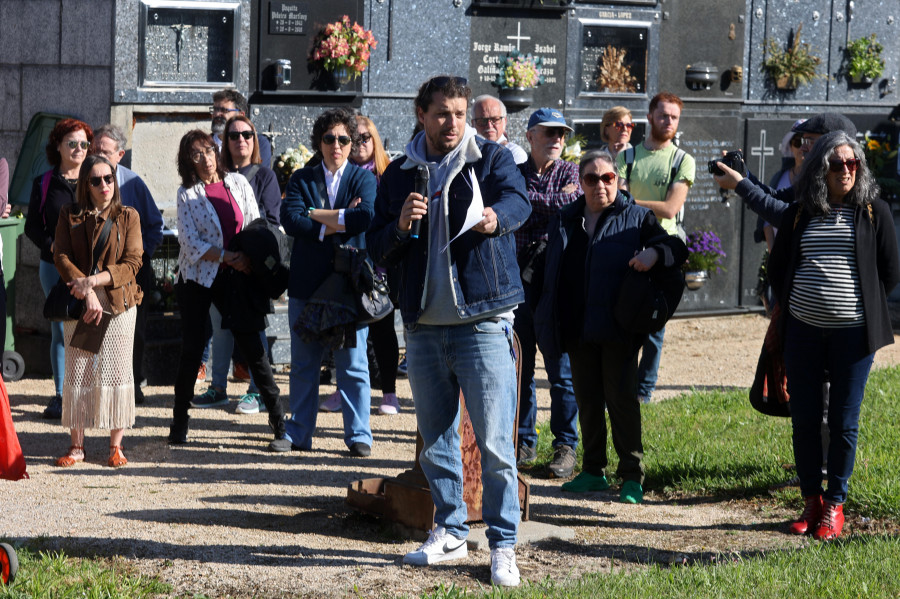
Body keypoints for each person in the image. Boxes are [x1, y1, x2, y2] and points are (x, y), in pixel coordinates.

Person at [367, 75, 529, 587]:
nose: (453, 123)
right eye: (442, 113)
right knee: (436, 440)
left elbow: (519, 203)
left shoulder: (492, 159)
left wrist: (494, 217)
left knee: (495, 444)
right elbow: (375, 245)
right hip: (423, 326)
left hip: (481, 321)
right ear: (421, 114)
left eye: (459, 113)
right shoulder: (398, 173)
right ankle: (451, 532)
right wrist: (398, 227)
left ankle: (503, 545)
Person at [535, 149, 687, 503]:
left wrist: (654, 254)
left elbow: (677, 248)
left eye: (607, 178)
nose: (600, 185)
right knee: (587, 400)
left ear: (618, 181)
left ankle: (632, 475)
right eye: (591, 178)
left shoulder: (637, 218)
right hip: (577, 326)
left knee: (620, 400)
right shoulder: (565, 219)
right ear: (581, 183)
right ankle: (592, 471)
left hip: (618, 327)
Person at [768, 131, 899, 540]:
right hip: (803, 334)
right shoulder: (798, 212)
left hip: (853, 338)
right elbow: (779, 268)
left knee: (843, 421)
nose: (846, 170)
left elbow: (891, 271)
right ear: (819, 169)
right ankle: (811, 500)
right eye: (837, 164)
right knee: (805, 419)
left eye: (853, 163)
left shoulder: (873, 210)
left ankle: (835, 505)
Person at [167, 130, 288, 451]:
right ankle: (179, 423)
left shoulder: (237, 182)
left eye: (209, 150)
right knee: (192, 350)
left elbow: (255, 223)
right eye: (196, 155)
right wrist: (227, 256)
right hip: (197, 278)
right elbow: (189, 242)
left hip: (237, 274)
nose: (205, 159)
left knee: (252, 346)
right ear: (187, 161)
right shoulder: (187, 193)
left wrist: (246, 257)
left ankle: (280, 426)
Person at [280, 108, 376, 457]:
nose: (336, 145)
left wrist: (315, 216)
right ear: (318, 143)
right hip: (306, 284)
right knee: (304, 363)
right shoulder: (300, 179)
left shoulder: (363, 179)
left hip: (347, 285)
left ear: (352, 144)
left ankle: (359, 436)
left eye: (344, 139)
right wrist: (338, 220)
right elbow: (291, 220)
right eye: (329, 139)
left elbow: (366, 217)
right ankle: (298, 434)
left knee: (352, 364)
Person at [52, 154, 143, 468]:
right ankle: (77, 447)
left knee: (117, 371)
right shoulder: (71, 214)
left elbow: (133, 262)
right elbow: (61, 255)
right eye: (96, 180)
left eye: (109, 178)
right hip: (82, 302)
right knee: (78, 370)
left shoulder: (127, 216)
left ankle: (115, 446)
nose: (104, 185)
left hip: (118, 303)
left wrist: (95, 282)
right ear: (85, 185)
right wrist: (87, 289)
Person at [194, 115, 282, 415]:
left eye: (247, 134)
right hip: (221, 266)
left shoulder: (264, 176)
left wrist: (245, 254)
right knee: (220, 329)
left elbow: (270, 221)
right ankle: (218, 388)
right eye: (234, 136)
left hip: (250, 266)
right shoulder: (215, 176)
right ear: (225, 143)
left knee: (254, 329)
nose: (241, 140)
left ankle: (257, 391)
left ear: (255, 139)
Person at [514, 107, 581, 479]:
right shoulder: (514, 172)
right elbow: (517, 204)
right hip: (519, 283)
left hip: (555, 283)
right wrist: (544, 202)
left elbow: (569, 208)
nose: (557, 140)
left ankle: (565, 445)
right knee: (520, 367)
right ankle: (524, 439)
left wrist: (530, 201)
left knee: (561, 370)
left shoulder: (572, 172)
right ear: (530, 137)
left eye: (562, 134)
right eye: (549, 133)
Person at [617, 92, 696, 404]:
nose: (669, 122)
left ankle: (644, 391)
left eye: (674, 117)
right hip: (628, 243)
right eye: (663, 115)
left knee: (655, 323)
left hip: (664, 248)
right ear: (649, 117)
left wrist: (632, 201)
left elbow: (669, 208)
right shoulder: (627, 157)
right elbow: (615, 200)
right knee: (623, 317)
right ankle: (622, 383)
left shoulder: (682, 160)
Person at [25, 118, 93, 420]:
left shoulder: (97, 179)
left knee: (91, 326)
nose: (78, 149)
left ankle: (88, 394)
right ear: (58, 146)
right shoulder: (43, 182)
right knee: (60, 327)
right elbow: (31, 227)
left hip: (90, 268)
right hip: (53, 266)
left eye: (83, 144)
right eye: (72, 143)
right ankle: (61, 395)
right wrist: (51, 243)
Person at [91, 124, 164, 404]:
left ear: (119, 154)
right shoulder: (84, 182)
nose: (97, 154)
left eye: (105, 151)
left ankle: (131, 384)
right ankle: (99, 387)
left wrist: (141, 257)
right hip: (96, 272)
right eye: (95, 149)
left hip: (132, 273)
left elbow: (155, 225)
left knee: (133, 330)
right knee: (96, 326)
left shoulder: (133, 183)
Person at [347, 113, 401, 416]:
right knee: (347, 329)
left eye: (364, 137)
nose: (358, 144)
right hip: (349, 259)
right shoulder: (341, 173)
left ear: (375, 139)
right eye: (352, 138)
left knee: (383, 328)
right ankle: (347, 391)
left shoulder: (388, 173)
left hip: (381, 262)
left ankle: (389, 393)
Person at [211, 89, 272, 168]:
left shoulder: (258, 143)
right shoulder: (204, 144)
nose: (217, 114)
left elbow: (258, 175)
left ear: (241, 115)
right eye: (215, 109)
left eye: (224, 110)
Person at [471, 95, 527, 164]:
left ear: (505, 121)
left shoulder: (515, 154)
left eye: (495, 119)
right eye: (482, 121)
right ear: (472, 123)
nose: (489, 125)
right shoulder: (467, 152)